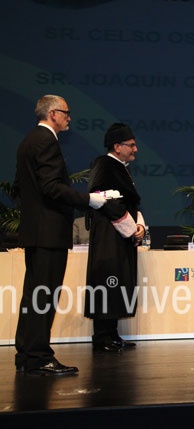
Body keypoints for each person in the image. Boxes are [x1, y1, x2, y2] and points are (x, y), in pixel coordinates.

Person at [13, 94, 109, 375]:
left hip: (37, 230)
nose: (69, 118)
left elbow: (21, 186)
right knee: (43, 296)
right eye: (66, 113)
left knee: (34, 295)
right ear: (53, 113)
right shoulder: (46, 141)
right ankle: (38, 357)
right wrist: (90, 200)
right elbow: (51, 187)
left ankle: (26, 354)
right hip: (49, 232)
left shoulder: (28, 140)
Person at [84, 123, 147, 353]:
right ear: (117, 146)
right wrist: (131, 229)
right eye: (131, 145)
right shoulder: (104, 165)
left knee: (117, 282)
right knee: (108, 281)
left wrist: (139, 226)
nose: (135, 149)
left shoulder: (120, 167)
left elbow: (130, 202)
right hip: (109, 236)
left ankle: (112, 334)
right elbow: (106, 201)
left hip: (120, 236)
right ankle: (102, 336)